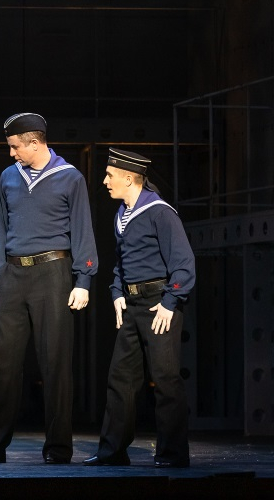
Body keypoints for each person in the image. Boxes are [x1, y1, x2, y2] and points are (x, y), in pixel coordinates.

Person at [0, 112, 98, 465]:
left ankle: (58, 448)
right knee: (1, 364)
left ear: (35, 142)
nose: (11, 153)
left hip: (53, 273)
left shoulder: (70, 177)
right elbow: (0, 226)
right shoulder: (9, 176)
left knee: (55, 363)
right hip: (12, 275)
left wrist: (83, 280)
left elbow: (83, 229)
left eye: (15, 146)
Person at [83, 148, 195, 468]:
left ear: (129, 178)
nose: (105, 181)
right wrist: (117, 292)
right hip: (131, 305)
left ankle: (172, 454)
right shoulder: (122, 214)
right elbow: (122, 261)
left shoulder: (160, 212)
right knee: (120, 379)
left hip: (158, 304)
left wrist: (170, 303)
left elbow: (184, 263)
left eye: (110, 176)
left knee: (165, 380)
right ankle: (112, 451)